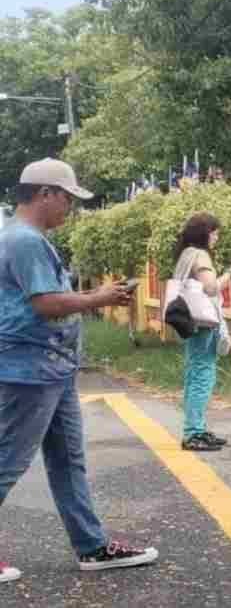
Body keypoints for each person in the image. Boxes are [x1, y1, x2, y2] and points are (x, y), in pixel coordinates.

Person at [0, 158, 159, 584]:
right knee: (7, 461)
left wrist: (94, 296)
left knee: (68, 462)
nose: (70, 207)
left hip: (52, 368)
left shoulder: (24, 237)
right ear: (45, 194)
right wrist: (98, 298)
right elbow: (46, 303)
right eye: (67, 198)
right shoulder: (25, 240)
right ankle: (91, 544)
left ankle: (92, 546)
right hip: (30, 370)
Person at [173, 213, 231, 451]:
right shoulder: (200, 254)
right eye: (214, 233)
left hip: (190, 321)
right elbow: (211, 287)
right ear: (204, 233)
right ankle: (193, 433)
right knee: (202, 376)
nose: (216, 237)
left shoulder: (186, 253)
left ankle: (197, 428)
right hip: (203, 323)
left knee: (195, 373)